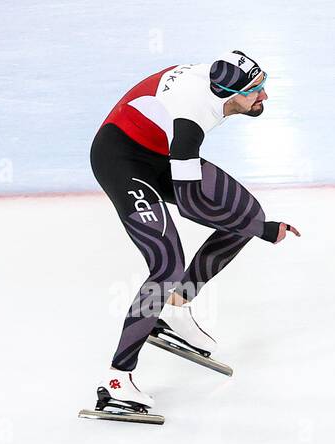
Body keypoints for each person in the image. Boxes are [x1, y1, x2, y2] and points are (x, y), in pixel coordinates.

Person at [86, 51, 302, 421]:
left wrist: (254, 224)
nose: (264, 97)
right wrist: (263, 233)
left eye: (263, 85)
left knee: (246, 214)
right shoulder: (192, 119)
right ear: (227, 95)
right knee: (166, 263)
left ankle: (174, 309)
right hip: (120, 160)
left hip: (159, 151)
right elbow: (191, 206)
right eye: (256, 90)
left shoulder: (212, 85)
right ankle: (117, 380)